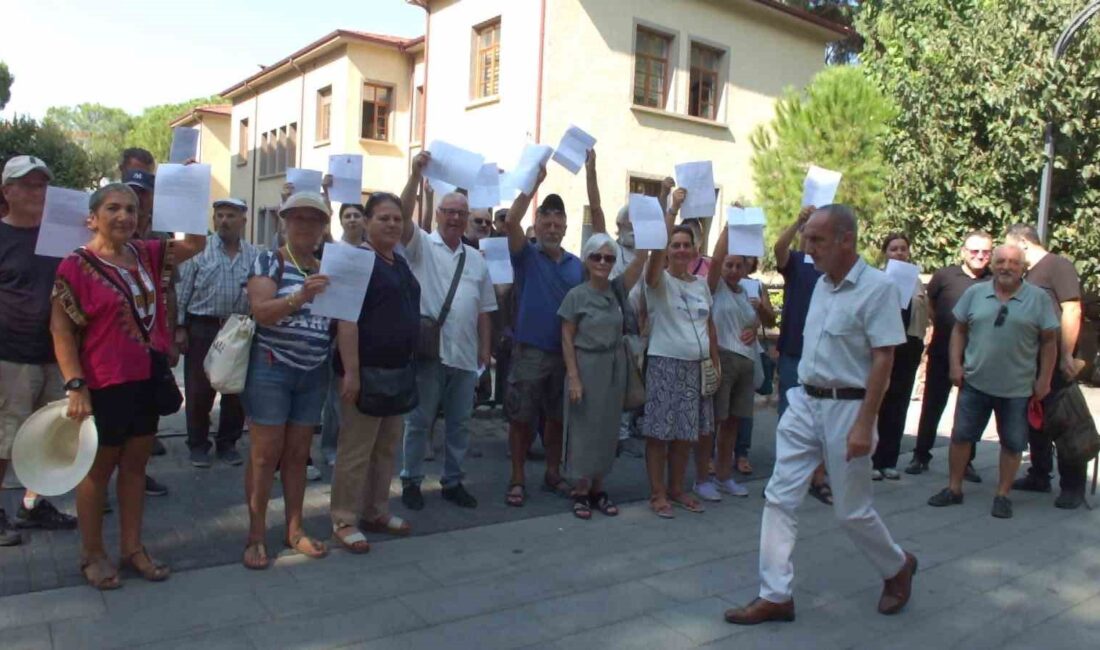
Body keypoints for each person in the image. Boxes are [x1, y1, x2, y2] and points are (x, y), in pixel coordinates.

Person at [724, 205, 916, 625]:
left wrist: (866, 423)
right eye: (806, 238)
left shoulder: (877, 288)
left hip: (849, 408)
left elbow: (884, 360)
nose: (808, 248)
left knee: (851, 510)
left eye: (817, 240)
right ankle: (776, 594)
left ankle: (897, 566)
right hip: (804, 403)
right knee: (778, 497)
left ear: (846, 239)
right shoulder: (820, 283)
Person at [51, 183, 206, 589]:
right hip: (103, 382)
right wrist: (75, 384)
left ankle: (132, 548)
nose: (124, 216)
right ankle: (92, 554)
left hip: (145, 379)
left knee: (135, 469)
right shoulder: (75, 265)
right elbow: (61, 329)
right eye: (114, 208)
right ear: (93, 217)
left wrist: (186, 188)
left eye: (131, 210)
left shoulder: (147, 254)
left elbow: (195, 242)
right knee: (97, 473)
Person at [501, 153, 605, 507]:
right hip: (529, 351)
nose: (552, 225)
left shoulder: (578, 266)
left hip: (565, 356)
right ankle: (516, 478)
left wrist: (591, 173)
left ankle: (552, 473)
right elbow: (511, 221)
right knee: (521, 419)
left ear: (564, 226)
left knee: (557, 419)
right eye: (546, 219)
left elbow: (604, 236)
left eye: (559, 220)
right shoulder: (526, 255)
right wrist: (534, 184)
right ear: (540, 223)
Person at [927, 245, 1058, 518]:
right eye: (1001, 261)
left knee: (1012, 443)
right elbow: (958, 331)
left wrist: (1044, 379)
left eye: (1013, 262)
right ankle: (954, 488)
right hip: (975, 382)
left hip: (1018, 388)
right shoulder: (975, 293)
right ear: (994, 265)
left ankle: (1002, 495)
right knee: (961, 437)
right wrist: (955, 365)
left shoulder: (1038, 299)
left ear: (1023, 267)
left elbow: (1049, 342)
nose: (1006, 267)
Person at [397, 154, 496, 510]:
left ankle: (453, 481)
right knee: (419, 422)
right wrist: (413, 175)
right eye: (448, 211)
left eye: (460, 213)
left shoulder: (477, 259)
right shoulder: (421, 246)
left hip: (466, 356)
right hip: (429, 353)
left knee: (460, 424)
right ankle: (410, 480)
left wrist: (485, 351)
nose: (455, 217)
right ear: (437, 215)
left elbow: (485, 310)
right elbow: (403, 215)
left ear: (467, 219)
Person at [241, 191, 334, 569]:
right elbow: (261, 311)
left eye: (314, 220)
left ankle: (294, 529)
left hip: (313, 371)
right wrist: (299, 297)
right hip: (271, 366)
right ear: (285, 221)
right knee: (265, 457)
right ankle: (256, 535)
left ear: (324, 227)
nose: (306, 226)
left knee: (298, 455)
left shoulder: (329, 265)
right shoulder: (269, 259)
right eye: (298, 219)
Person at [330, 192, 421, 552]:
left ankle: (376, 510)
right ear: (366, 222)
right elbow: (346, 321)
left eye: (397, 218)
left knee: (385, 449)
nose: (392, 224)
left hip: (397, 373)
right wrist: (351, 373)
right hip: (364, 373)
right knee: (355, 450)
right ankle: (343, 518)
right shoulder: (357, 261)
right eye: (383, 218)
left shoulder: (398, 262)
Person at [0, 156, 78, 545]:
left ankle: (33, 505)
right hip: (9, 357)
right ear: (6, 191)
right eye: (27, 185)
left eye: (41, 185)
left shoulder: (63, 236)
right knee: (3, 437)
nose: (36, 192)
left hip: (56, 355)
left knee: (47, 437)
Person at [642, 182, 719, 518]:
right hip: (664, 364)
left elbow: (709, 325)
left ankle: (677, 488)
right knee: (659, 433)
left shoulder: (701, 285)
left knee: (686, 434)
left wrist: (715, 362)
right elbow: (653, 259)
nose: (681, 250)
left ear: (695, 250)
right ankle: (657, 493)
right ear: (668, 249)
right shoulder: (657, 281)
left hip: (695, 368)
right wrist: (671, 210)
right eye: (675, 245)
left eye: (687, 245)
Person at [559, 229, 648, 519]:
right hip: (586, 366)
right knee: (584, 429)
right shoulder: (576, 296)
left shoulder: (617, 290)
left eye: (609, 257)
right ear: (586, 259)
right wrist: (573, 376)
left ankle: (599, 487)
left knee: (609, 429)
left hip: (614, 367)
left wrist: (661, 213)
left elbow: (641, 259)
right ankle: (581, 489)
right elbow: (566, 337)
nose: (603, 262)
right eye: (596, 256)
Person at [1005, 224, 1089, 509]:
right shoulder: (1029, 273)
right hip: (1030, 359)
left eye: (1012, 249)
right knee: (1035, 420)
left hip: (1054, 361)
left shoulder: (1058, 265)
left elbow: (1073, 309)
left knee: (1064, 422)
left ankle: (1073, 486)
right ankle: (1039, 474)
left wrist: (1066, 353)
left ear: (1024, 243)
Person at [175, 198, 257, 468]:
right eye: (219, 215)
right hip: (202, 327)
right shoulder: (199, 251)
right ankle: (198, 444)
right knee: (199, 390)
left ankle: (228, 443)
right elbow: (183, 290)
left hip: (239, 328)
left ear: (243, 220)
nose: (224, 220)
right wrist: (179, 328)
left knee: (235, 389)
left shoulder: (255, 255)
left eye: (230, 215)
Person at [905, 231, 993, 480]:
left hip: (977, 357)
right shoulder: (944, 276)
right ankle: (921, 455)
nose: (979, 256)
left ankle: (967, 462)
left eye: (985, 252)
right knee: (932, 406)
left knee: (972, 412)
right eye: (974, 251)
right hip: (942, 352)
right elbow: (930, 306)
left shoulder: (994, 281)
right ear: (963, 252)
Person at [118, 150, 171, 497]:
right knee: (109, 424)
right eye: (133, 190)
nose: (139, 199)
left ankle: (135, 475)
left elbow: (169, 285)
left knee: (143, 422)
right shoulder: (97, 236)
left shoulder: (160, 234)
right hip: (111, 348)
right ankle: (98, 485)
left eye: (146, 190)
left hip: (152, 342)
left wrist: (173, 331)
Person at [774, 205, 830, 504]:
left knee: (819, 419)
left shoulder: (832, 268)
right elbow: (778, 248)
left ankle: (818, 478)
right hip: (794, 352)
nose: (814, 242)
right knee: (788, 418)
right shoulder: (795, 261)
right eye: (811, 236)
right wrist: (798, 221)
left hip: (824, 355)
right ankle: (785, 477)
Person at [696, 225, 757, 501]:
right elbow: (717, 257)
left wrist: (754, 328)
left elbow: (751, 323)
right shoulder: (715, 287)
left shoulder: (745, 293)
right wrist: (729, 227)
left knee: (732, 423)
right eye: (729, 265)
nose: (732, 269)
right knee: (714, 422)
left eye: (738, 265)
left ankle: (723, 477)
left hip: (746, 363)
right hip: (723, 358)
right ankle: (702, 479)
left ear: (745, 269)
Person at [872, 233, 929, 480]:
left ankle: (889, 460)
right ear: (885, 253)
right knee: (878, 402)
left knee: (899, 403)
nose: (899, 253)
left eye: (903, 249)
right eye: (893, 249)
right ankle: (871, 460)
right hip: (883, 347)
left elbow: (926, 313)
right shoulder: (876, 279)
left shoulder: (917, 282)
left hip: (909, 347)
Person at [319, 202, 369, 467]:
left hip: (365, 330)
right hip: (335, 329)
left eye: (356, 215)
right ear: (340, 222)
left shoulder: (372, 252)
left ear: (364, 220)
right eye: (347, 216)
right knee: (335, 397)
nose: (352, 220)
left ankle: (353, 447)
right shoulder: (333, 250)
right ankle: (329, 446)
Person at [734, 256, 777, 475]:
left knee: (745, 406)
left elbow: (770, 321)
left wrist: (760, 306)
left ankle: (742, 453)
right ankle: (713, 456)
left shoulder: (757, 286)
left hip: (750, 352)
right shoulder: (716, 283)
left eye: (747, 257)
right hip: (725, 349)